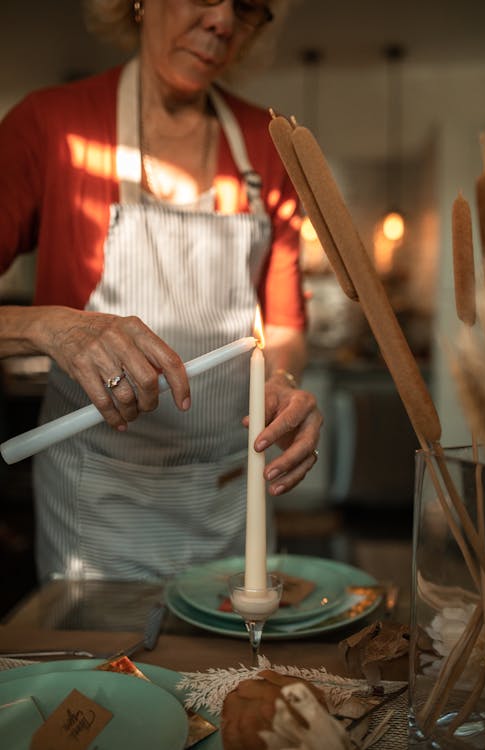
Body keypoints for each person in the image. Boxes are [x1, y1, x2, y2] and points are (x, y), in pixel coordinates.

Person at [0, 0, 323, 582]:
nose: (223, 21)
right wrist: (47, 326)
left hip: (232, 499)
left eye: (245, 8)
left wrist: (285, 384)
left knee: (233, 675)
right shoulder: (49, 126)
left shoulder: (267, 145)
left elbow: (284, 331)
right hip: (95, 502)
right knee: (99, 673)